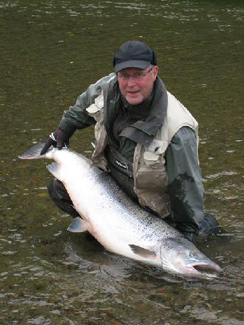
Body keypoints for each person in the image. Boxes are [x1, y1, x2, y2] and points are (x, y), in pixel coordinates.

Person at [41, 40, 221, 241]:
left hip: (154, 210)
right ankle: (103, 231)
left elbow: (186, 187)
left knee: (188, 242)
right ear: (117, 75)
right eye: (124, 76)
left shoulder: (178, 131)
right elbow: (82, 107)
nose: (131, 84)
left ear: (154, 72)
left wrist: (187, 234)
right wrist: (62, 131)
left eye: (138, 74)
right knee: (59, 189)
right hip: (115, 188)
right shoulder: (108, 87)